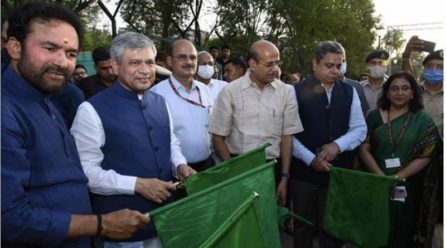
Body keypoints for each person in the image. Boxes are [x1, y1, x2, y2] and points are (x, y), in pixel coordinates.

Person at [2, 3, 149, 247]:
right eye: (50, 48)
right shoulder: (6, 110)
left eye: (71, 54)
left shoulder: (46, 97)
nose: (62, 62)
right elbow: (9, 220)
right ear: (15, 47)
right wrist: (101, 224)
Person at [71, 32, 196, 247]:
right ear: (115, 66)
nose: (145, 70)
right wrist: (137, 185)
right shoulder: (90, 110)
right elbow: (86, 172)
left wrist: (180, 165)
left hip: (165, 219)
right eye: (135, 63)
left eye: (149, 62)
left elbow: (171, 142)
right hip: (122, 227)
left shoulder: (160, 101)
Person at [290, 41, 367, 248]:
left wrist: (337, 146)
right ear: (314, 64)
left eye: (339, 65)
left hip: (338, 171)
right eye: (329, 65)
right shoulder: (294, 91)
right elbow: (287, 134)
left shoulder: (350, 91)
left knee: (333, 226)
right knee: (303, 225)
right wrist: (310, 159)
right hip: (303, 174)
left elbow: (360, 128)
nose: (335, 70)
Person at [208, 39, 303, 205]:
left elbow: (287, 138)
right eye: (269, 64)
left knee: (269, 223)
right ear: (252, 64)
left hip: (271, 169)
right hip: (238, 167)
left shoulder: (286, 92)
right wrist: (233, 172)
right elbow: (217, 137)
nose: (275, 69)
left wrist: (284, 178)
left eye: (277, 63)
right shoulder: (230, 92)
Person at [358, 71, 441, 248]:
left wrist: (397, 177)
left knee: (404, 229)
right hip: (376, 182)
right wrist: (382, 177)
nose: (399, 93)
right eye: (394, 88)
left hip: (409, 184)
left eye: (405, 88)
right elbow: (364, 148)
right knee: (376, 228)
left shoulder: (423, 120)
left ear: (412, 93)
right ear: (387, 93)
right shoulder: (374, 116)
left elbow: (428, 154)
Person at [150, 39, 214, 172]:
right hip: (176, 170)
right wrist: (179, 165)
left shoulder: (205, 89)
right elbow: (160, 138)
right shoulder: (156, 94)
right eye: (182, 57)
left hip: (208, 164)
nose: (189, 62)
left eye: (193, 58)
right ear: (169, 61)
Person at [402, 37, 443, 136]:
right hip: (411, 145)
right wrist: (406, 56)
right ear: (424, 68)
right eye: (430, 66)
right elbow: (407, 76)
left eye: (440, 67)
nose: (434, 70)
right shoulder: (413, 90)